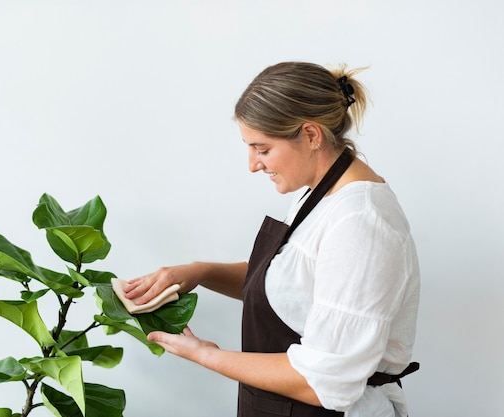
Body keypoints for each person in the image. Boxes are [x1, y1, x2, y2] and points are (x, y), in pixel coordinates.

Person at [124, 61, 420, 417]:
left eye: (262, 149)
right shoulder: (320, 194)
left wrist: (206, 355)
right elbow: (292, 284)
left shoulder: (361, 222)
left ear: (311, 135)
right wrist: (200, 273)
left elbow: (324, 381)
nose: (252, 164)